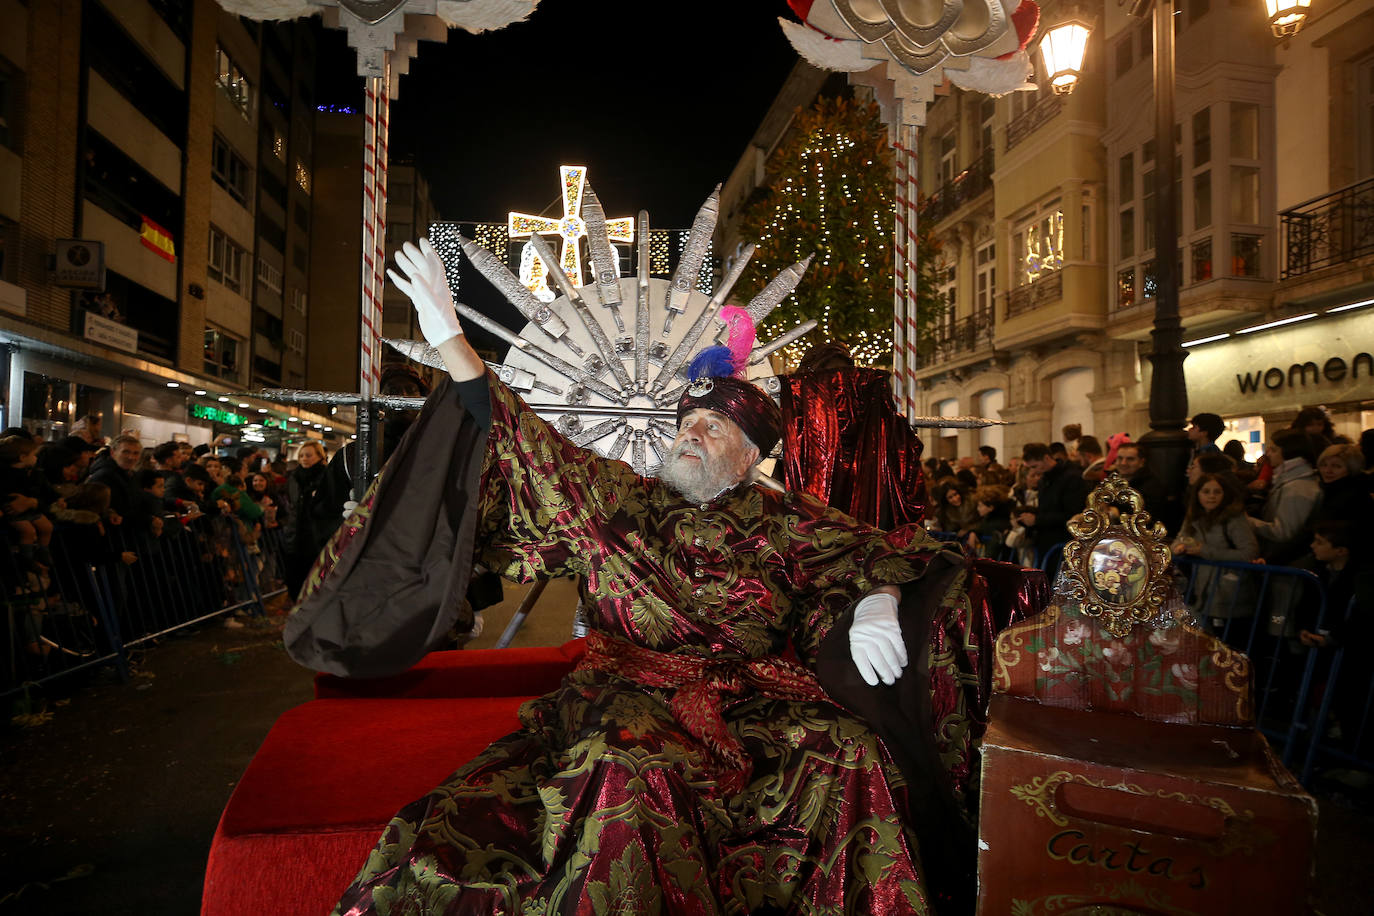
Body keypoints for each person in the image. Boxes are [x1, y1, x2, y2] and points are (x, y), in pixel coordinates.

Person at [288, 237, 985, 914]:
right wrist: (453, 344)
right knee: (628, 769)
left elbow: (883, 552)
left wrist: (879, 602)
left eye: (713, 428)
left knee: (852, 751)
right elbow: (523, 439)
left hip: (753, 699)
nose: (691, 435)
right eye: (688, 423)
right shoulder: (615, 498)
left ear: (749, 458)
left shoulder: (789, 519)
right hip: (628, 690)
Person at [1172, 473, 1259, 618]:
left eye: (1217, 492)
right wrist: (1178, 548)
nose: (1211, 496)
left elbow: (1250, 552)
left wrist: (1204, 551)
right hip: (1200, 589)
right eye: (1206, 492)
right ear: (1198, 494)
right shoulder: (1194, 517)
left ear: (1225, 494)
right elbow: (1180, 539)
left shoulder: (1234, 519)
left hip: (1229, 590)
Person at [1250, 429, 1323, 564]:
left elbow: (1283, 532)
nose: (1268, 454)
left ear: (1289, 453)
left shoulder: (1297, 488)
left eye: (1274, 450)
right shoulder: (1290, 481)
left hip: (1286, 563)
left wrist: (1249, 522)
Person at [1017, 441, 1087, 559]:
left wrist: (1037, 520)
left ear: (1046, 458)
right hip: (1046, 541)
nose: (1033, 471)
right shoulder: (1043, 480)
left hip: (1063, 542)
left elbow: (1072, 514)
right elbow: (1046, 508)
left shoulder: (1071, 477)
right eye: (1030, 468)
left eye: (1034, 466)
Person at [282, 440, 333, 599]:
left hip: (316, 536)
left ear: (319, 456)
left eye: (309, 455)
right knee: (294, 576)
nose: (304, 459)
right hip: (295, 536)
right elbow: (290, 504)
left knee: (315, 575)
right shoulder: (294, 477)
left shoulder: (326, 476)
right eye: (302, 455)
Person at [1112, 442, 1169, 527]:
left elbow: (1149, 520)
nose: (1123, 463)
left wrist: (1117, 513)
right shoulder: (1112, 481)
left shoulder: (1152, 487)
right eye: (1120, 458)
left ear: (1141, 462)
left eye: (1130, 459)